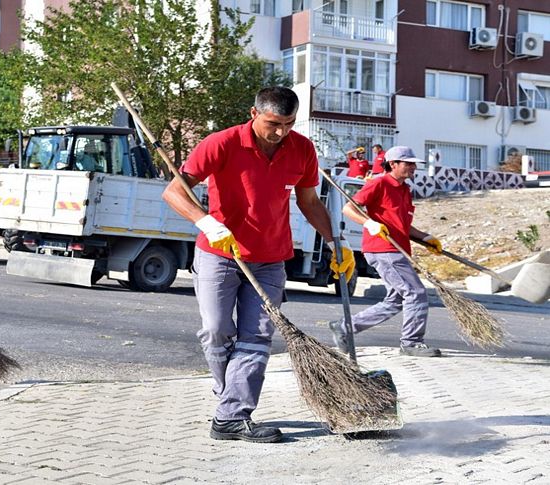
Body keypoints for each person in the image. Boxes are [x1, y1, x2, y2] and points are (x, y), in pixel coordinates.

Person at [162, 86, 355, 443]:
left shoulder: (302, 149)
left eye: (289, 123)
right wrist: (207, 223)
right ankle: (228, 401)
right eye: (273, 123)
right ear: (254, 114)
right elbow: (174, 192)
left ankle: (232, 416)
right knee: (217, 330)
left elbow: (310, 201)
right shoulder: (221, 143)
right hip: (220, 253)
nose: (281, 132)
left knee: (256, 337)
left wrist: (335, 242)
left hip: (270, 259)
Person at [329, 146, 443, 358]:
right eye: (408, 163)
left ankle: (345, 327)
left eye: (413, 163)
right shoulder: (379, 183)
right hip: (383, 249)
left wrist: (425, 238)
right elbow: (349, 209)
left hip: (398, 249)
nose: (413, 167)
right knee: (415, 292)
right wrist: (370, 224)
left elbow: (402, 227)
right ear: (393, 164)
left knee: (396, 300)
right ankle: (411, 342)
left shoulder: (405, 190)